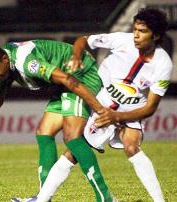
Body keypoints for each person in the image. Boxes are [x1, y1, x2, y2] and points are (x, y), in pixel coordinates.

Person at [31, 8, 171, 202]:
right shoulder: (122, 40)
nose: (136, 35)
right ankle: (42, 199)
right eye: (135, 29)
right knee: (73, 152)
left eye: (142, 31)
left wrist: (117, 117)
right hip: (102, 102)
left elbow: (150, 108)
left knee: (131, 146)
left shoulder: (163, 64)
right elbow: (84, 40)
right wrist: (77, 56)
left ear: (155, 35)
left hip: (130, 109)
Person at [0, 39, 115, 201]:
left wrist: (100, 110)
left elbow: (68, 79)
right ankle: (44, 198)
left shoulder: (27, 63)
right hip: (63, 85)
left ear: (5, 59)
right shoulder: (4, 68)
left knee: (71, 137)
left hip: (81, 76)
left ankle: (105, 197)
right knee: (44, 133)